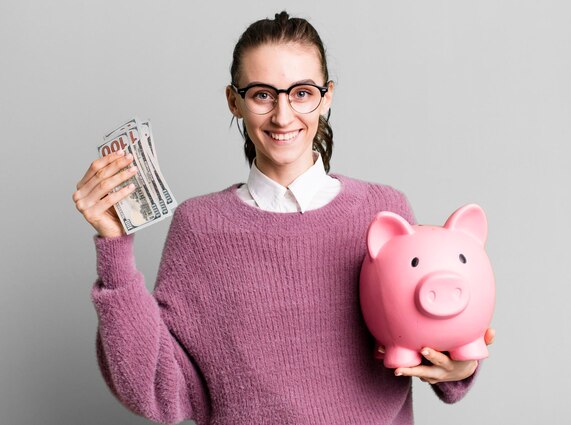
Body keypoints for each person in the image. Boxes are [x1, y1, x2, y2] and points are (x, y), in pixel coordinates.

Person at [73, 11, 494, 425]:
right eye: (262, 94)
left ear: (327, 96)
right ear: (233, 101)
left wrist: (459, 368)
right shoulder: (199, 227)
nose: (282, 115)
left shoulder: (383, 212)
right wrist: (114, 248)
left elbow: (429, 334)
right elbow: (157, 389)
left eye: (302, 93)